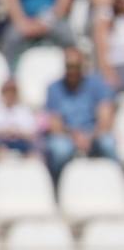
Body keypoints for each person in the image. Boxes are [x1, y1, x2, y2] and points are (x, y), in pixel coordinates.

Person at [43, 46, 118, 181]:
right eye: (69, 66)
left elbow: (105, 119)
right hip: (68, 136)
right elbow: (55, 124)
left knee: (108, 143)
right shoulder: (54, 88)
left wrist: (90, 136)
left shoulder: (97, 84)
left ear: (82, 65)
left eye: (76, 66)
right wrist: (75, 136)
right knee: (59, 149)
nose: (72, 70)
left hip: (94, 134)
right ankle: (56, 186)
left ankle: (119, 181)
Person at [0, 78, 40, 159]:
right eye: (7, 92)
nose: (10, 95)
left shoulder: (24, 111)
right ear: (2, 94)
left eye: (12, 92)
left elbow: (32, 135)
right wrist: (2, 132)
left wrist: (17, 132)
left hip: (20, 144)